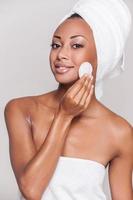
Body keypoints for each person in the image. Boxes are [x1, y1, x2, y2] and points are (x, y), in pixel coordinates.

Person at [4, 0, 133, 199]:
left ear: (102, 55)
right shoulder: (21, 110)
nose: (61, 54)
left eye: (76, 45)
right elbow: (31, 190)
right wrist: (64, 116)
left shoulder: (119, 132)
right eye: (56, 45)